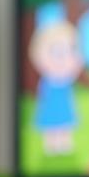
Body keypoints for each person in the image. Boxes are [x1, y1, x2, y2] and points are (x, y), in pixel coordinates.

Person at [29, 20, 83, 156]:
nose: (63, 58)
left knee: (65, 126)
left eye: (69, 50)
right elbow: (44, 97)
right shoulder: (46, 81)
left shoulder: (67, 80)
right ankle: (50, 146)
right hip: (50, 108)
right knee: (51, 127)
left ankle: (64, 144)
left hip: (64, 107)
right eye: (56, 52)